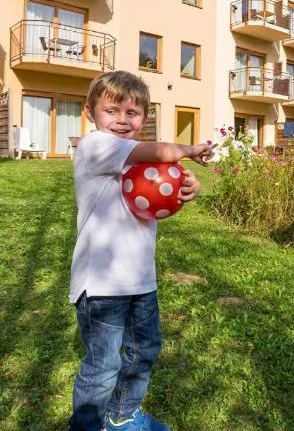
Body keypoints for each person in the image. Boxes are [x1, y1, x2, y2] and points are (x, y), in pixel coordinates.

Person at [68, 71, 215, 431]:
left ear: (144, 119)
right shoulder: (95, 146)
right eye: (111, 110)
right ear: (90, 113)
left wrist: (186, 185)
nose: (121, 120)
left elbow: (161, 185)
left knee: (144, 351)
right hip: (101, 285)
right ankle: (85, 426)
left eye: (132, 113)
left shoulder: (139, 159)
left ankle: (121, 415)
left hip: (140, 280)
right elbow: (162, 152)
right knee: (103, 365)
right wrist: (189, 151)